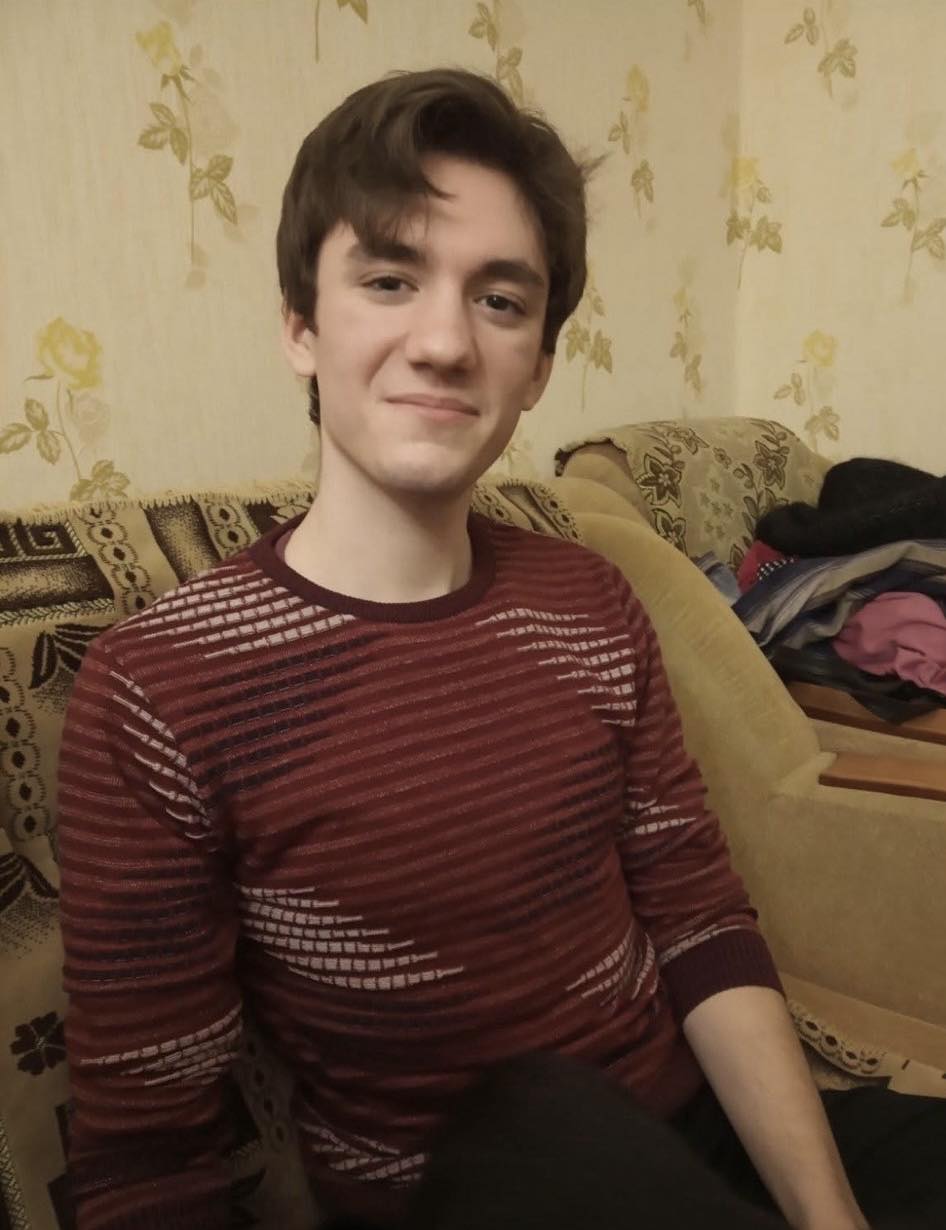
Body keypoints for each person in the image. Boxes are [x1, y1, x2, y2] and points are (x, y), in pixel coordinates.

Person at [57, 67, 944, 1230]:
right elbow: (148, 1153)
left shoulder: (590, 597)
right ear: (299, 327)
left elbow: (697, 922)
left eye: (500, 301)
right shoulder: (161, 686)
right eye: (387, 279)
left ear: (536, 367)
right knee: (536, 1121)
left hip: (694, 1134)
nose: (442, 342)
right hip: (480, 1188)